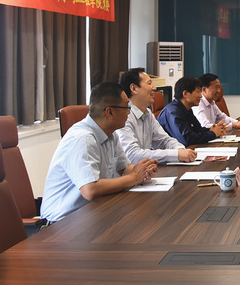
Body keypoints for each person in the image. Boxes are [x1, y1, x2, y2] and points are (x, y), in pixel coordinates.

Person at [41, 82, 158, 222]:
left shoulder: (111, 134)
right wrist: (133, 178)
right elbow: (90, 190)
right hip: (62, 223)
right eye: (127, 107)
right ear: (109, 112)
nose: (129, 112)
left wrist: (142, 170)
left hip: (93, 212)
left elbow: (124, 169)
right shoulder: (83, 138)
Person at [117, 68, 197, 164]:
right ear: (134, 88)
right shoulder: (124, 116)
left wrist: (180, 150)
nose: (154, 88)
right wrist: (176, 154)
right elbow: (132, 155)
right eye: (149, 83)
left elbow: (164, 141)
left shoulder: (147, 113)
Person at [158, 76, 226, 146]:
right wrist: (213, 133)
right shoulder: (173, 112)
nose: (201, 96)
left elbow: (198, 130)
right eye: (198, 92)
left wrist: (212, 129)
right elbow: (187, 139)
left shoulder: (186, 109)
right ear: (185, 94)